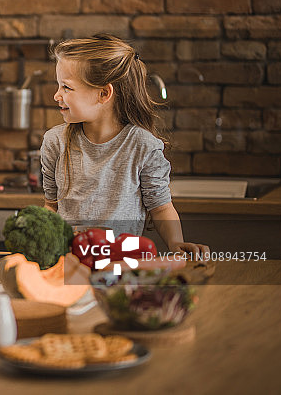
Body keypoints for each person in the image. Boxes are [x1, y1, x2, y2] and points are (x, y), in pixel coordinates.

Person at [41, 34, 209, 256]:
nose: (56, 95)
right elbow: (51, 206)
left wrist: (176, 243)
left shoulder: (143, 146)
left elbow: (161, 207)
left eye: (66, 88)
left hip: (123, 261)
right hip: (70, 261)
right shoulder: (55, 142)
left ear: (103, 93)